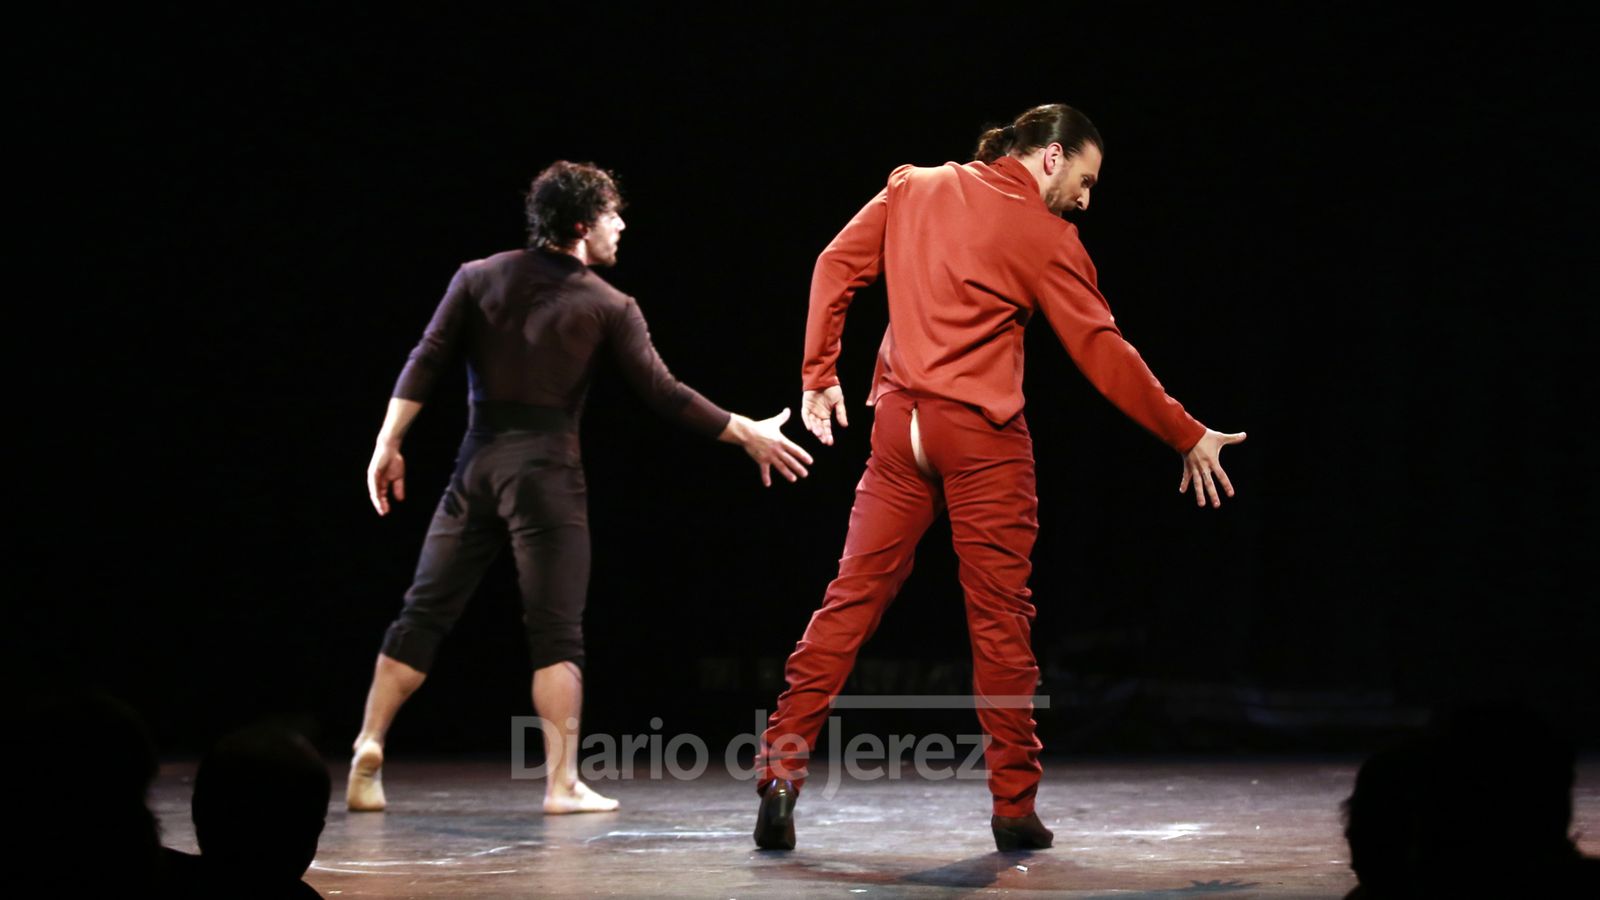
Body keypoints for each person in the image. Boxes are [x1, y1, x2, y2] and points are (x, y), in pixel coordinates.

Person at [753, 104, 1245, 851]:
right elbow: (1102, 351)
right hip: (979, 435)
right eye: (1084, 178)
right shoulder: (1048, 237)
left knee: (849, 598)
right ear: (1051, 156)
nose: (1087, 198)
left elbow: (834, 265)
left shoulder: (914, 185)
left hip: (897, 426)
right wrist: (1185, 433)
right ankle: (1013, 804)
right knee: (1000, 620)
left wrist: (819, 372)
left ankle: (780, 772)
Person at [351, 160, 812, 815]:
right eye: (612, 214)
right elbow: (664, 393)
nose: (621, 225)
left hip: (475, 467)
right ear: (579, 224)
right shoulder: (607, 305)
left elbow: (425, 358)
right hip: (547, 478)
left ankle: (369, 743)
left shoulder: (476, 278)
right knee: (557, 632)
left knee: (423, 611)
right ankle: (562, 782)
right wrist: (747, 433)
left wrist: (387, 443)